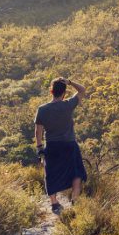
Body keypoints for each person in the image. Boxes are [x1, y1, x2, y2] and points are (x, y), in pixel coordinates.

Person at [34, 77, 87, 214]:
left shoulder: (42, 109)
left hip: (52, 146)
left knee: (50, 174)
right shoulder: (68, 105)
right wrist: (70, 82)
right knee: (77, 173)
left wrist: (39, 148)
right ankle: (74, 200)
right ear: (64, 92)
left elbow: (38, 130)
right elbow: (82, 90)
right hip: (69, 145)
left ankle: (55, 203)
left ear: (51, 91)